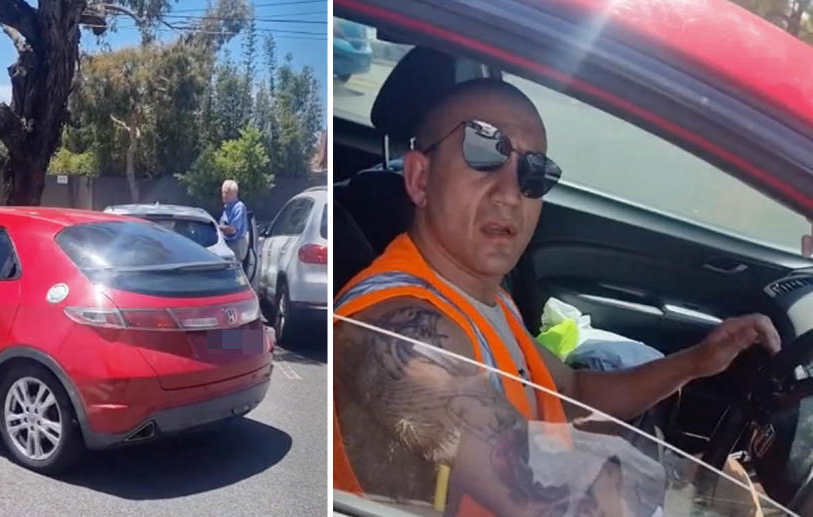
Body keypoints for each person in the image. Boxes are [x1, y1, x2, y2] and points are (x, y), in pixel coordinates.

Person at [332, 78, 782, 515]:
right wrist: (708, 501)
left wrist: (697, 363)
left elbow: (571, 394)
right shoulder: (395, 333)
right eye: (485, 151)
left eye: (534, 174)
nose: (511, 193)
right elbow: (556, 497)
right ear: (420, 178)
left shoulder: (486, 301)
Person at [219, 179, 249, 263]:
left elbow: (232, 229)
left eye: (227, 193)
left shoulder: (238, 207)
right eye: (223, 192)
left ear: (235, 194)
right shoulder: (227, 207)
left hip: (236, 244)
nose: (224, 195)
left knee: (235, 271)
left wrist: (218, 228)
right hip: (227, 243)